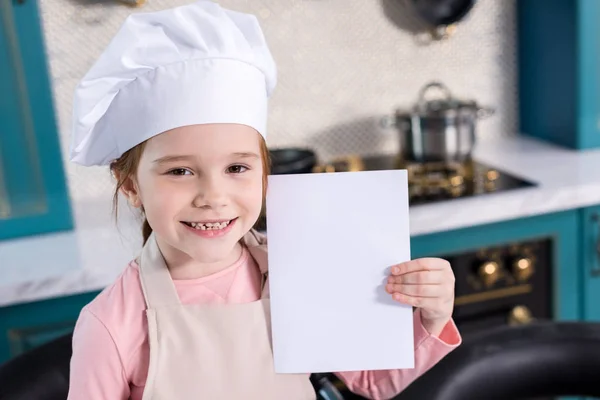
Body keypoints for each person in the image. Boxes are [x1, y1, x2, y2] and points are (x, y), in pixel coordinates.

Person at [66, 1, 461, 399]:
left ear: (265, 173)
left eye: (237, 168)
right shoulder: (108, 326)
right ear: (131, 185)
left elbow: (375, 382)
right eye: (180, 171)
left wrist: (433, 313)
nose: (213, 197)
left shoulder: (299, 268)